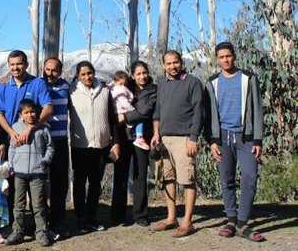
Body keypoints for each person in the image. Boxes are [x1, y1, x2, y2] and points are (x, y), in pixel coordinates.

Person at [205, 42, 265, 242]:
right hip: (222, 137)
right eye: (221, 57)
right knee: (226, 179)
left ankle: (242, 222)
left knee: (250, 177)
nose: (225, 60)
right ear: (217, 59)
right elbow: (209, 115)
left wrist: (257, 138)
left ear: (234, 56)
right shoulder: (212, 82)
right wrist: (212, 141)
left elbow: (257, 109)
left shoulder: (248, 78)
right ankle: (231, 219)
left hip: (246, 137)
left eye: (228, 56)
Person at [151, 50, 204, 237]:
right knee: (168, 178)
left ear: (181, 62)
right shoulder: (162, 85)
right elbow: (157, 113)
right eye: (168, 63)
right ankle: (171, 218)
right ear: (163, 65)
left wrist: (193, 138)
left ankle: (187, 221)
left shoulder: (193, 83)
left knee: (187, 179)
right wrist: (156, 134)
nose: (172, 66)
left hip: (184, 139)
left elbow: (199, 112)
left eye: (175, 63)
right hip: (165, 139)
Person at [68, 61, 120, 233]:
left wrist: (115, 142)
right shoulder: (71, 91)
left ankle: (92, 215)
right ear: (77, 75)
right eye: (83, 74)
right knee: (80, 182)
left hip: (101, 144)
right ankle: (81, 218)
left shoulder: (105, 90)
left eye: (89, 73)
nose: (87, 77)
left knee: (96, 182)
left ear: (94, 72)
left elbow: (112, 117)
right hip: (80, 145)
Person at [111, 61, 157, 227]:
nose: (142, 76)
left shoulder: (153, 90)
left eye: (144, 73)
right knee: (120, 175)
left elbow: (146, 111)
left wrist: (123, 118)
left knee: (140, 175)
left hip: (142, 137)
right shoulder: (124, 86)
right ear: (132, 75)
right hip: (123, 137)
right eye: (138, 74)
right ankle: (117, 215)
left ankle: (140, 215)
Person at [5, 99, 55, 247]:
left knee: (39, 203)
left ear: (37, 113)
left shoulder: (44, 128)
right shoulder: (15, 127)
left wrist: (46, 160)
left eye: (32, 112)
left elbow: (50, 147)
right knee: (18, 204)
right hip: (19, 172)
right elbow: (12, 148)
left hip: (38, 171)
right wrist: (11, 165)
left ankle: (41, 231)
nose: (30, 115)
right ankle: (18, 231)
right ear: (21, 114)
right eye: (26, 112)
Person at [0, 50, 53, 145]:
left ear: (26, 64)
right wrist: (11, 132)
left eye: (19, 64)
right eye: (12, 64)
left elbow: (48, 109)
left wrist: (30, 127)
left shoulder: (38, 83)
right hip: (9, 140)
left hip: (33, 139)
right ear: (8, 65)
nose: (15, 68)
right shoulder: (3, 86)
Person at [40, 57, 70, 238]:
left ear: (60, 71)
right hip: (41, 141)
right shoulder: (36, 85)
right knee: (39, 183)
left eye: (54, 70)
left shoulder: (67, 87)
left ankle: (58, 222)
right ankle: (40, 223)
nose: (50, 73)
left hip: (60, 140)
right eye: (47, 69)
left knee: (60, 183)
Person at [109, 71, 149, 151]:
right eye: (120, 84)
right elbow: (125, 103)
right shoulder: (121, 92)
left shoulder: (113, 89)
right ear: (115, 82)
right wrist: (133, 110)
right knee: (138, 120)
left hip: (118, 112)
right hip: (122, 111)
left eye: (125, 84)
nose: (123, 86)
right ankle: (139, 137)